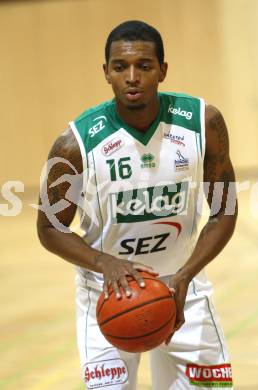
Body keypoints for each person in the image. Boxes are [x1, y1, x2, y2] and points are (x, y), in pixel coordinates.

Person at [37, 20, 237, 389]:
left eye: (144, 66)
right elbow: (49, 227)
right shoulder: (73, 144)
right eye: (120, 67)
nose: (132, 77)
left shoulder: (203, 123)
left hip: (184, 288)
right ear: (106, 72)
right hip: (109, 295)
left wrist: (184, 276)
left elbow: (224, 210)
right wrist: (103, 262)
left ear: (162, 70)